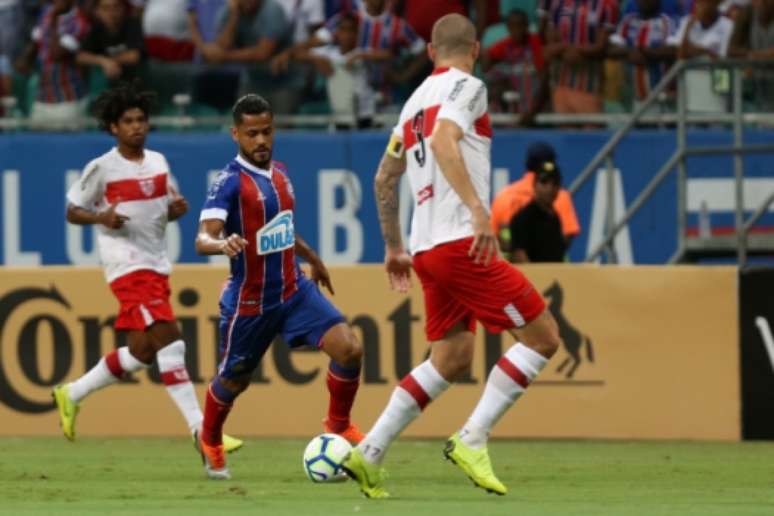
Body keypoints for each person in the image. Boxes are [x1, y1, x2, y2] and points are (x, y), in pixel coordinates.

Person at [342, 14, 562, 499]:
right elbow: (444, 139)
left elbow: (384, 178)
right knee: (543, 337)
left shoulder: (411, 103)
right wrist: (478, 210)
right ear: (477, 50)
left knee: (452, 356)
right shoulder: (470, 87)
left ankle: (371, 450)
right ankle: (472, 437)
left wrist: (393, 246)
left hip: (425, 249)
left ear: (428, 52)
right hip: (462, 242)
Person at [52, 82, 243, 454]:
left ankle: (71, 393)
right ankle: (203, 432)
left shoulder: (158, 162)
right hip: (126, 266)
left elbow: (165, 205)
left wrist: (175, 211)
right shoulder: (102, 167)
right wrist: (100, 217)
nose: (137, 126)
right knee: (172, 339)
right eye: (128, 121)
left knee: (140, 352)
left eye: (141, 120)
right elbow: (72, 210)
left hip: (156, 264)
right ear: (113, 128)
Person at [194, 94, 365, 481]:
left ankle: (337, 424)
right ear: (236, 134)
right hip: (250, 301)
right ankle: (210, 439)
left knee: (350, 348)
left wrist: (313, 257)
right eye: (251, 134)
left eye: (266, 132)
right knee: (234, 380)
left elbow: (283, 228)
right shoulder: (229, 182)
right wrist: (222, 244)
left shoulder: (282, 172)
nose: (261, 141)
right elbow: (203, 237)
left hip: (293, 288)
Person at [490, 141, 580, 256]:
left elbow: (493, 236)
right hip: (552, 270)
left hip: (512, 268)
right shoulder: (561, 195)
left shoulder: (503, 196)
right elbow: (568, 234)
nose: (549, 189)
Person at [15, 0, 91, 129]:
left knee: (66, 146)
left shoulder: (79, 23)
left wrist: (54, 18)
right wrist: (25, 60)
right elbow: (36, 43)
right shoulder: (46, 14)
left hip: (68, 101)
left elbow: (56, 54)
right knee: (36, 146)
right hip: (42, 99)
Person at [481, 8, 549, 125]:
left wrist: (532, 111)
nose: (517, 30)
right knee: (494, 80)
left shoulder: (534, 42)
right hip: (512, 91)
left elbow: (543, 75)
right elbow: (486, 62)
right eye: (513, 26)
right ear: (508, 28)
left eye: (521, 26)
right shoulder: (506, 44)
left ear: (527, 26)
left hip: (533, 96)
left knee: (526, 75)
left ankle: (526, 115)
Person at [509, 162, 568, 263]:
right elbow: (519, 256)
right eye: (544, 182)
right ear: (534, 185)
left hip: (555, 277)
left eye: (555, 184)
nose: (549, 188)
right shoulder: (522, 218)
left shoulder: (555, 217)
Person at [77, 0, 145, 85]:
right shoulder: (96, 29)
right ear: (97, 11)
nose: (111, 12)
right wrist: (103, 61)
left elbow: (134, 56)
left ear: (123, 8)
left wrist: (111, 62)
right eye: (105, 8)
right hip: (108, 85)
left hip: (137, 82)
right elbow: (80, 56)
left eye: (116, 7)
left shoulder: (132, 24)